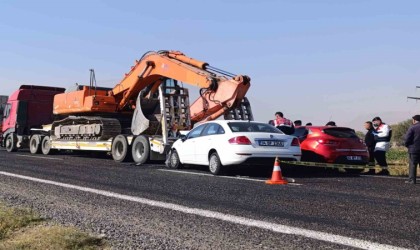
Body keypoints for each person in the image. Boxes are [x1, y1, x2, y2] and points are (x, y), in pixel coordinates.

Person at [403, 115, 420, 184]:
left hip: (414, 149)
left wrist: (407, 145)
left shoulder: (412, 127)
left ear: (414, 120)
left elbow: (407, 138)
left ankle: (412, 180)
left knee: (413, 165)